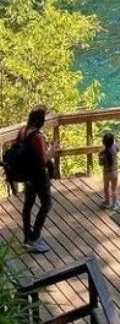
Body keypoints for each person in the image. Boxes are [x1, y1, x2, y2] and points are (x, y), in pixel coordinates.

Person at [18, 106, 54, 254]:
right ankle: (35, 236)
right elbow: (43, 159)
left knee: (28, 204)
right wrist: (52, 150)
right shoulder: (38, 136)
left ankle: (27, 236)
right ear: (40, 121)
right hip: (39, 175)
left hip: (27, 175)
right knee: (47, 204)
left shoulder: (23, 131)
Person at [99, 131, 119, 211]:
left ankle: (107, 201)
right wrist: (115, 139)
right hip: (114, 172)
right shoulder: (115, 148)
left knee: (106, 187)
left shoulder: (102, 153)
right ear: (112, 141)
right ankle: (114, 204)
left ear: (103, 142)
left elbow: (100, 164)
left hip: (106, 173)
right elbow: (118, 147)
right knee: (114, 189)